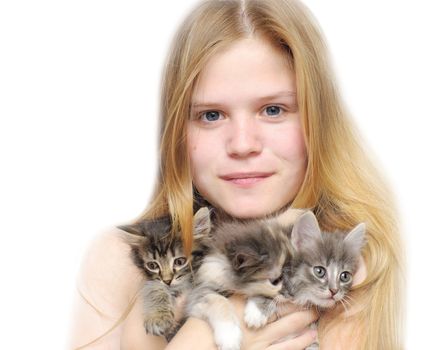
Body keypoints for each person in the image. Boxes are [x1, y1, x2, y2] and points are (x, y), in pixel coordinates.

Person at [69, 0, 404, 349]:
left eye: (273, 110)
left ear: (318, 122)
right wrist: (195, 340)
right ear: (176, 133)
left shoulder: (360, 267)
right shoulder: (120, 260)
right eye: (211, 115)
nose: (242, 144)